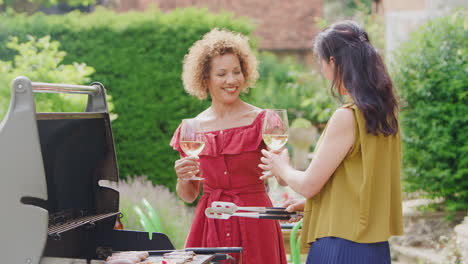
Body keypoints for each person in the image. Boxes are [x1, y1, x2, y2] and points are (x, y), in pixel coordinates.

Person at [259, 20, 403, 264]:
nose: (321, 67)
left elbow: (309, 184)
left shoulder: (347, 116)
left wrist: (281, 167)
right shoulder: (384, 114)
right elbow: (362, 184)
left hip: (340, 245)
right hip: (374, 248)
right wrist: (311, 205)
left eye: (321, 61)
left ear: (333, 62)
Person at [170, 28, 287, 264]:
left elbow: (284, 179)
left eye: (237, 72)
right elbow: (189, 195)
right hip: (210, 223)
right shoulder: (192, 129)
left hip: (256, 222)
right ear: (205, 79)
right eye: (221, 74)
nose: (232, 80)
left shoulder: (264, 121)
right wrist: (183, 178)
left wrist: (280, 169)